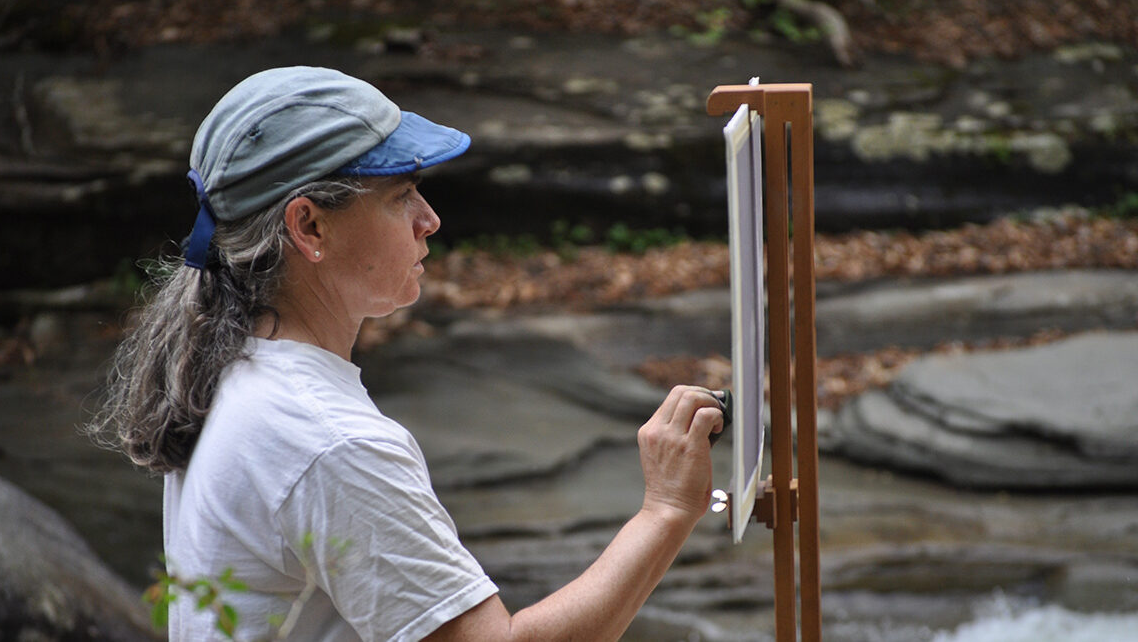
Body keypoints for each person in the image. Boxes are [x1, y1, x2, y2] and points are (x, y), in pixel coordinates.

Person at [91, 66, 725, 642]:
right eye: (400, 197)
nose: (430, 220)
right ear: (309, 226)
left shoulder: (231, 369)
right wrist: (665, 512)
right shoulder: (328, 440)